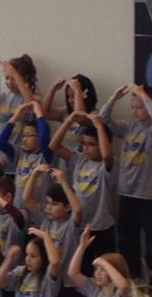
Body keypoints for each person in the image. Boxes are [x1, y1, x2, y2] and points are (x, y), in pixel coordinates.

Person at [101, 83, 152, 287]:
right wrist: (113, 97)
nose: (135, 111)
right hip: (127, 195)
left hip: (149, 197)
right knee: (127, 244)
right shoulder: (129, 127)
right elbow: (104, 121)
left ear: (149, 106)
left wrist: (142, 94)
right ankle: (133, 287)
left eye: (139, 107)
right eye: (133, 107)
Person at [49, 111, 116, 276]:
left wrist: (99, 125)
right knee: (82, 273)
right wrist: (68, 120)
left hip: (101, 228)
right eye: (83, 143)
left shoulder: (107, 166)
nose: (85, 147)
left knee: (103, 273)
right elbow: (54, 146)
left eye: (91, 144)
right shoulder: (79, 160)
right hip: (78, 227)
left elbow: (107, 155)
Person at [23, 166, 85, 297]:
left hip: (67, 285)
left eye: (54, 204)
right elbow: (27, 199)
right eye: (48, 203)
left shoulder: (71, 226)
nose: (48, 207)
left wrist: (64, 182)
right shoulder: (45, 221)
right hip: (47, 281)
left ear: (67, 207)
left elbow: (78, 210)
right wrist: (34, 173)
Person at [0, 100, 53, 210]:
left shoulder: (46, 156)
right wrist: (15, 117)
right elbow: (0, 142)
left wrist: (38, 113)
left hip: (37, 210)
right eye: (23, 136)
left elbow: (44, 138)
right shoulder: (20, 153)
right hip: (19, 209)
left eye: (29, 136)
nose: (24, 140)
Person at [66, 225, 132, 297]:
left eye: (103, 270)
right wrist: (82, 246)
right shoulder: (94, 290)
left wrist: (103, 262)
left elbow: (123, 286)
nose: (98, 273)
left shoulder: (120, 295)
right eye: (96, 269)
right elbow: (73, 274)